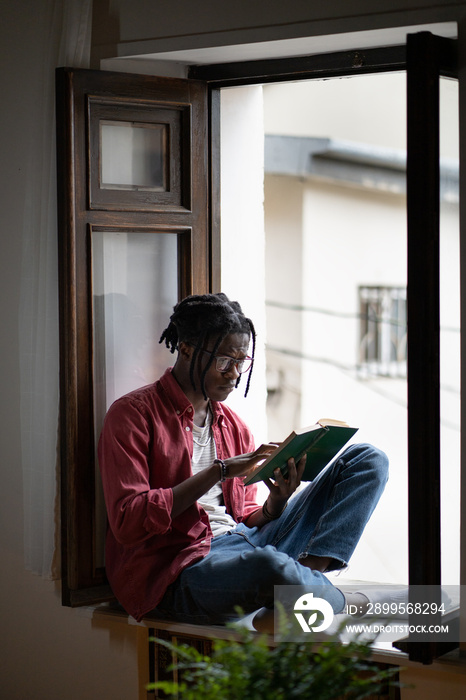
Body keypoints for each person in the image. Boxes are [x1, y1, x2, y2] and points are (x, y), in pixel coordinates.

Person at [98, 293, 388, 627]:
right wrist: (218, 472)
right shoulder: (133, 415)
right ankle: (328, 598)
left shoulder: (232, 425)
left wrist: (275, 505)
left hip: (241, 543)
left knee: (367, 460)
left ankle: (300, 586)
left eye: (242, 362)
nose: (234, 373)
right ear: (187, 349)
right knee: (266, 567)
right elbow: (127, 521)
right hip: (180, 570)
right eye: (224, 362)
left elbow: (242, 521)